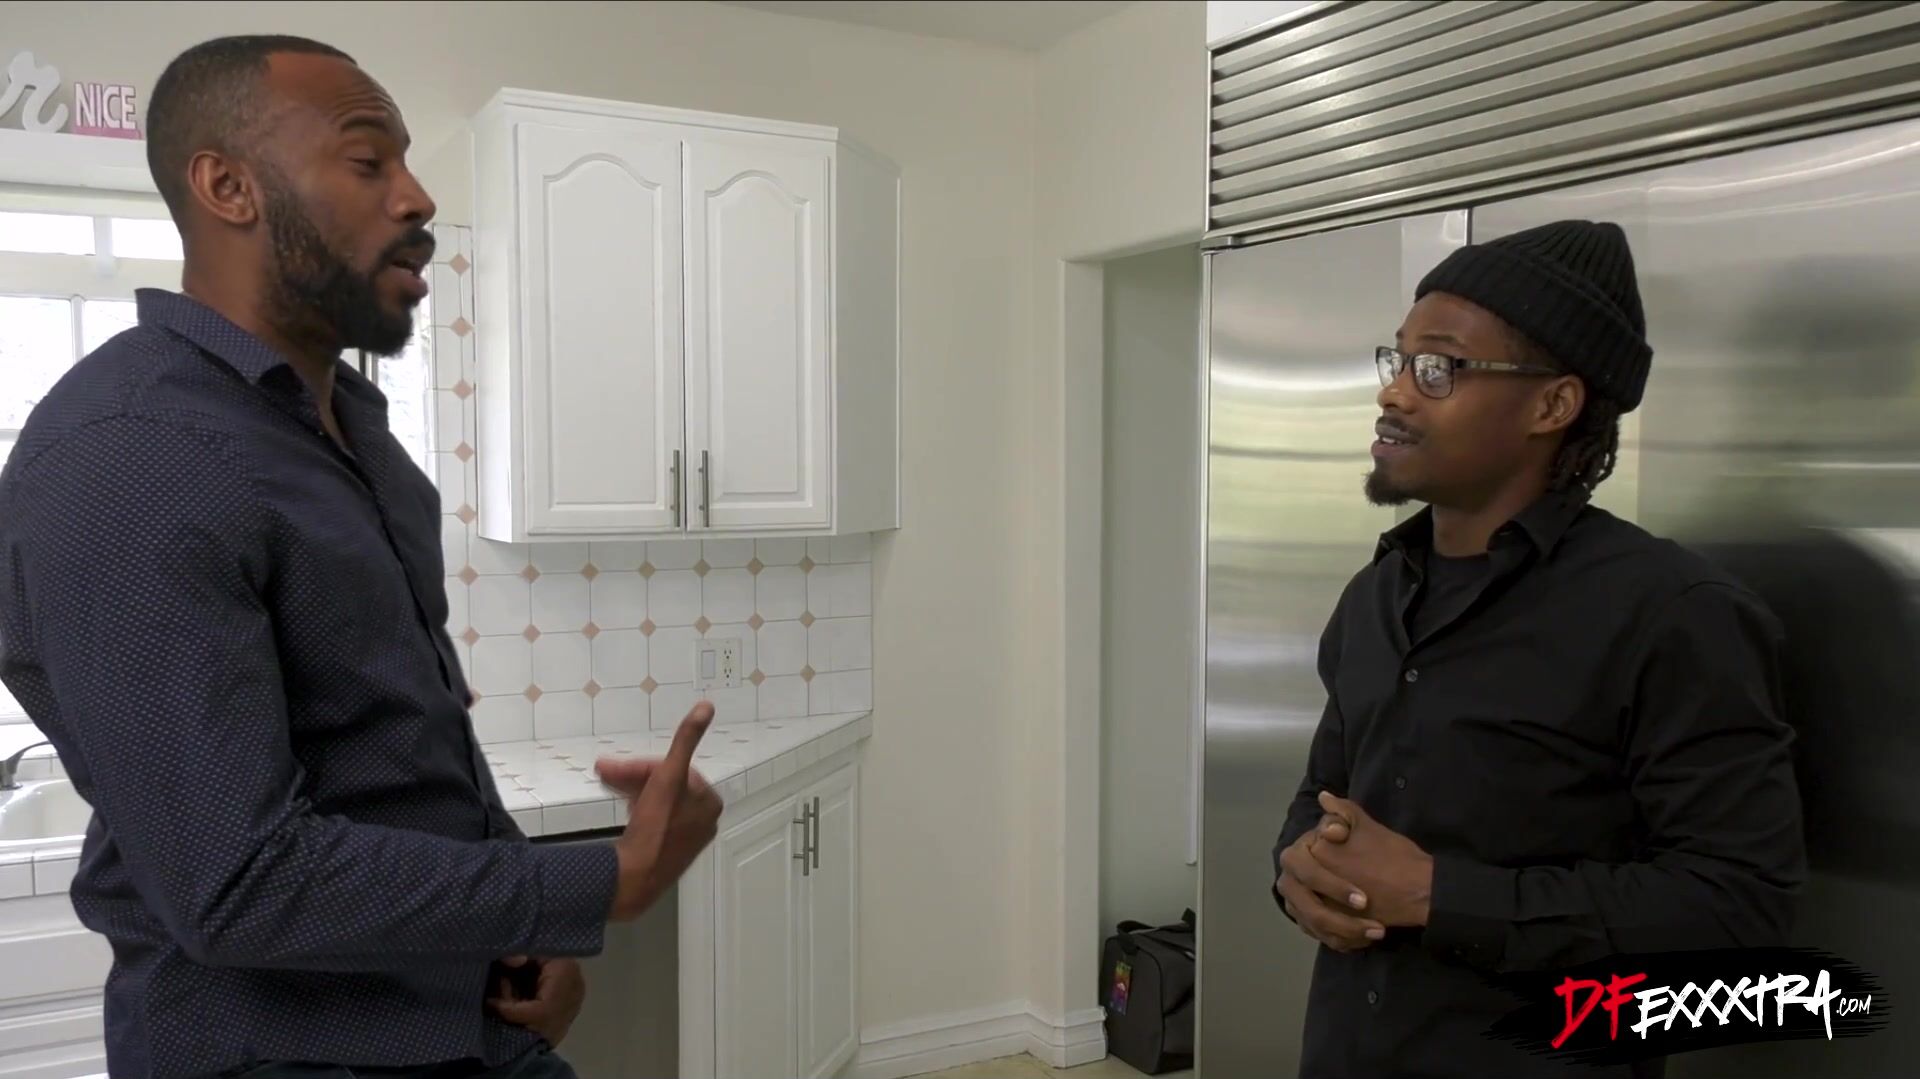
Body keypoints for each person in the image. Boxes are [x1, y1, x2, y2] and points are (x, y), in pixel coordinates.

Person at [0, 35, 722, 1079]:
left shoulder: (355, 432)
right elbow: (238, 882)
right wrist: (600, 882)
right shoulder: (132, 452)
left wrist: (519, 927)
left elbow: (401, 745)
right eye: (368, 160)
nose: (417, 196)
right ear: (228, 188)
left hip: (459, 1023)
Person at [1269, 220, 1807, 1078]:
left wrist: (1442, 897)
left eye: (1439, 367)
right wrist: (1296, 867)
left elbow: (1741, 907)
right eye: (1398, 359)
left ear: (1552, 406)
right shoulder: (1375, 594)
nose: (1395, 393)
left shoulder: (1673, 613)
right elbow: (1323, 793)